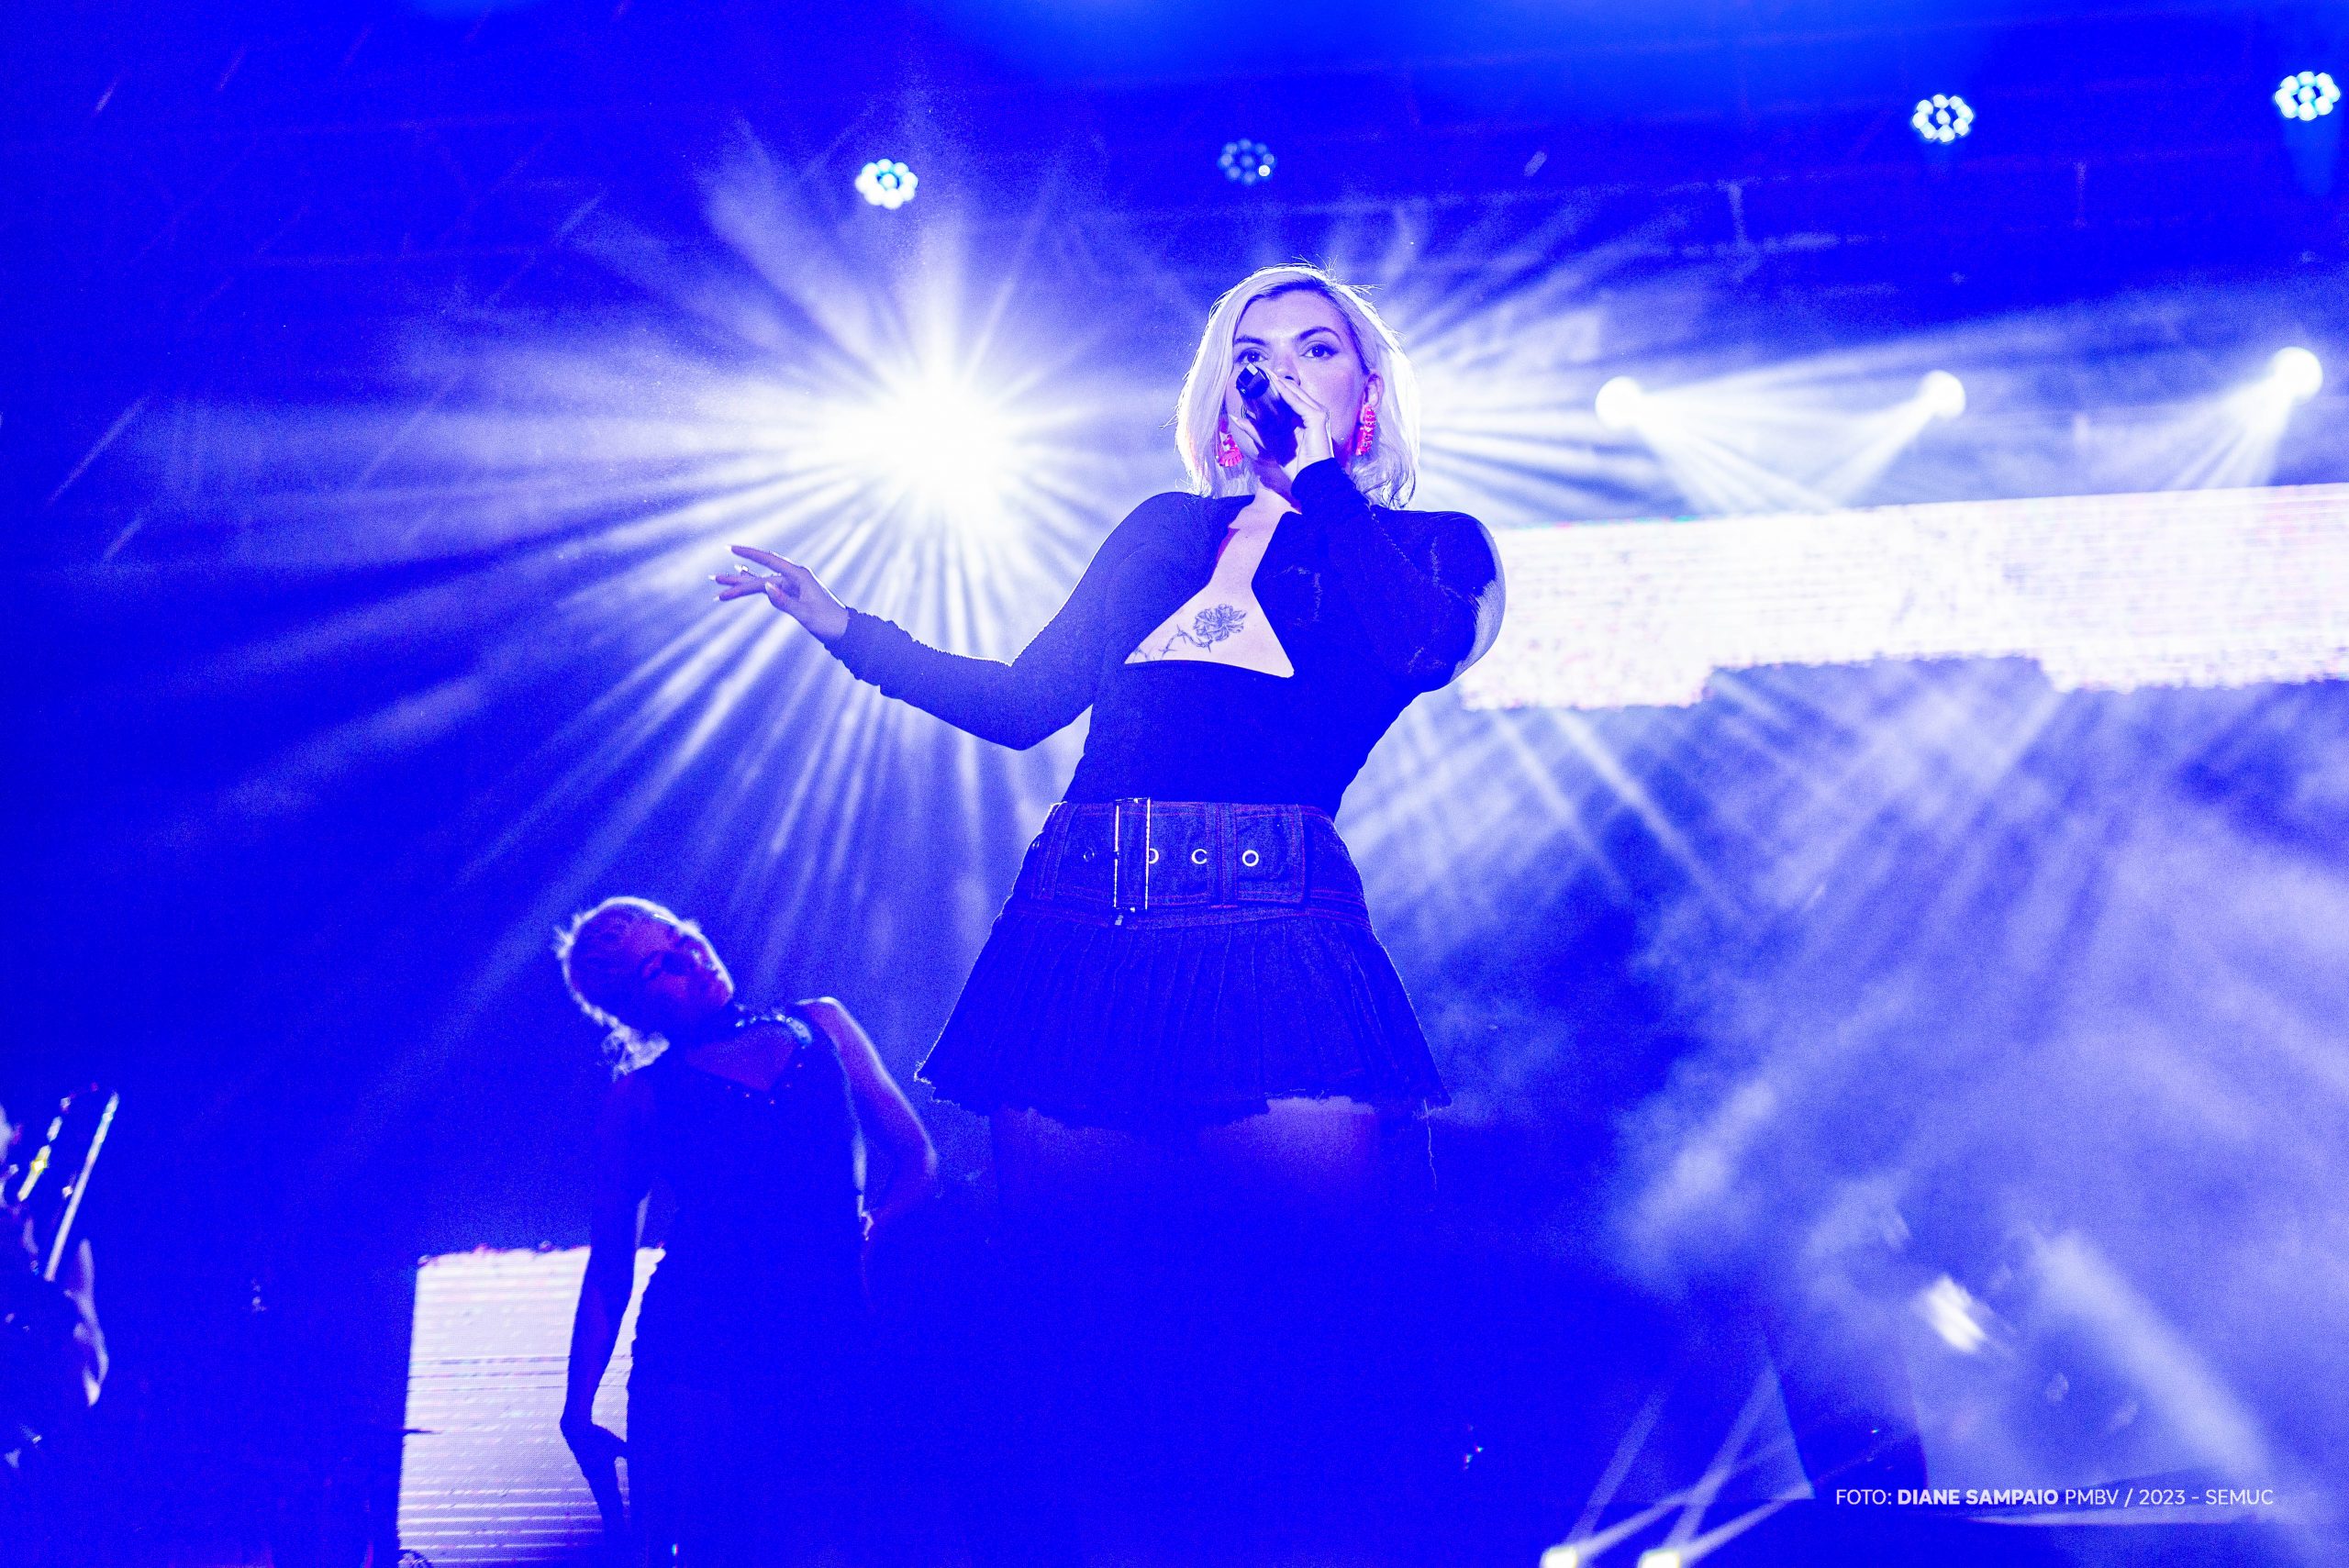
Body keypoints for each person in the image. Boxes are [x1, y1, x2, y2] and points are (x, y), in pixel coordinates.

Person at [716, 264, 1504, 1559]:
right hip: (1082, 930)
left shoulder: (1425, 546)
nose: (1281, 368)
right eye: (1254, 351)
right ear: (1219, 390)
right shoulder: (1158, 528)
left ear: (1366, 389)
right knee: (1084, 1324)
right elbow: (1026, 701)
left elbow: (1420, 649)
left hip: (1274, 933)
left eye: (1315, 348)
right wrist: (847, 628)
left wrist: (1319, 481)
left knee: (1304, 1314)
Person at [552, 896, 939, 1567]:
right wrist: (577, 1408)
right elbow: (610, 1264)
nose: (691, 957)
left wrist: (874, 1239)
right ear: (635, 1010)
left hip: (830, 1327)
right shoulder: (638, 1098)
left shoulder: (822, 1023)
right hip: (698, 1355)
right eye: (659, 967)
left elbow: (917, 1158)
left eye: (681, 936)